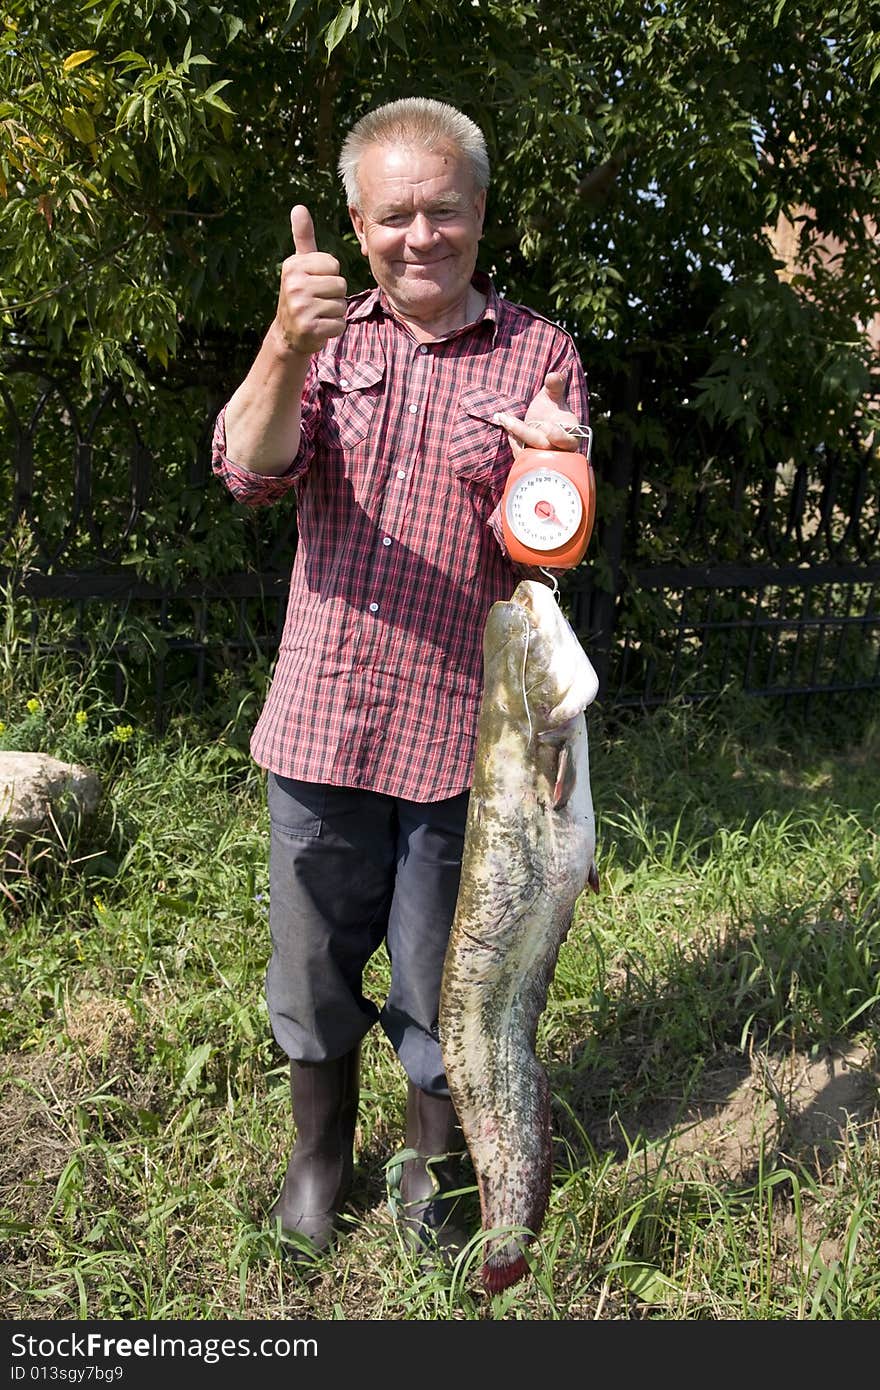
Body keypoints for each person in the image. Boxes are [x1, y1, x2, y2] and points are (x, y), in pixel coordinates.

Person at [212, 97, 590, 1265]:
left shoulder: (540, 352)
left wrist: (553, 476)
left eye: (442, 211)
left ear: (478, 214)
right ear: (358, 226)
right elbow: (248, 469)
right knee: (313, 974)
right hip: (322, 725)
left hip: (462, 748)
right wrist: (284, 342)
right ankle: (319, 1155)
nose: (418, 236)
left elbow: (548, 546)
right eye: (393, 216)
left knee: (446, 986)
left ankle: (434, 1166)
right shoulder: (322, 334)